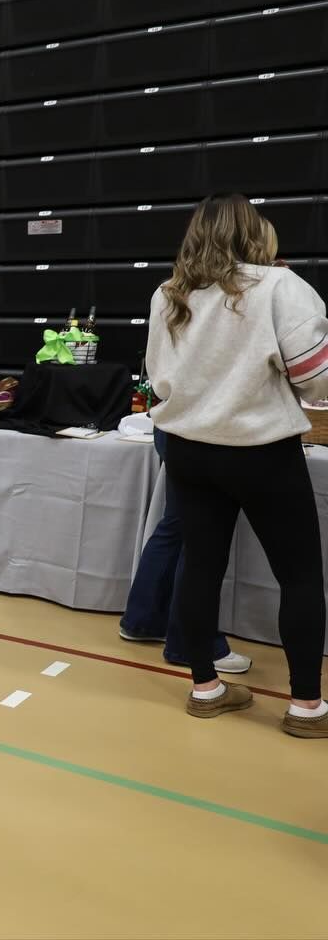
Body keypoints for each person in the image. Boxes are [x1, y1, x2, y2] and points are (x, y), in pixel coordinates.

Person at [146, 194, 328, 736]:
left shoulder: (168, 293)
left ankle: (205, 687)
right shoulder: (280, 286)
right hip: (260, 451)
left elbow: (157, 375)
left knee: (200, 565)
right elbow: (317, 381)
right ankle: (305, 705)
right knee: (298, 575)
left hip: (187, 447)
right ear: (254, 231)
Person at [118, 428, 252, 674]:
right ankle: (192, 643)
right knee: (200, 533)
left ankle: (144, 620)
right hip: (205, 431)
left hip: (177, 427)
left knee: (177, 524)